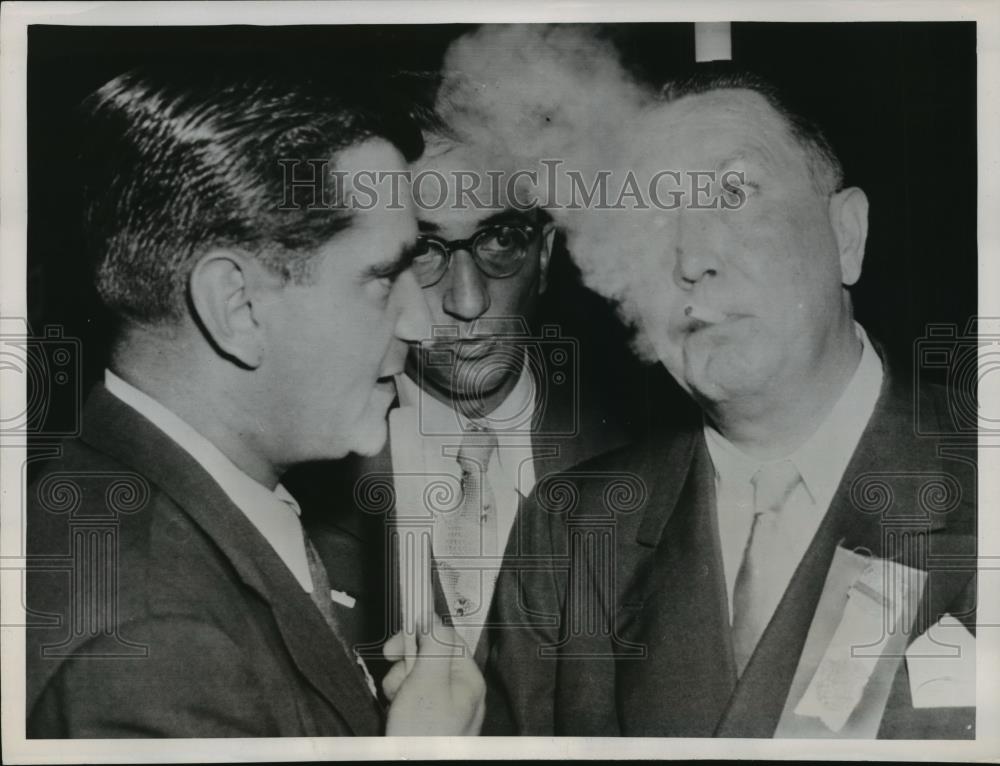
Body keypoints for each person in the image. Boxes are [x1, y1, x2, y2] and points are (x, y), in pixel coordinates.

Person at [486, 69, 977, 738]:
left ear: (847, 235)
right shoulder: (568, 533)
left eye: (734, 193)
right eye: (652, 217)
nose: (691, 260)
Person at [25, 66, 484, 737]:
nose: (422, 324)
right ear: (236, 307)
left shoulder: (157, 514)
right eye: (385, 278)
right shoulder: (154, 641)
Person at [286, 119, 629, 689]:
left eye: (501, 240)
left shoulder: (643, 457)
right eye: (424, 251)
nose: (467, 302)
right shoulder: (305, 473)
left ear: (545, 255)